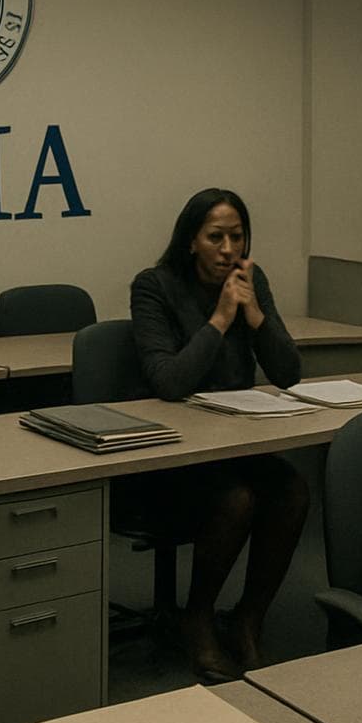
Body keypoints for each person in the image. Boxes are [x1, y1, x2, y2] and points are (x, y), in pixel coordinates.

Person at [129, 188, 308, 682]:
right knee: (236, 499)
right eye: (215, 238)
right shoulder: (154, 286)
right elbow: (169, 382)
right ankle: (198, 618)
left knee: (292, 490)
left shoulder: (251, 280)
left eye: (237, 237)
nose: (228, 250)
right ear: (191, 241)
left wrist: (255, 316)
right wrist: (222, 318)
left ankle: (248, 618)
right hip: (174, 457)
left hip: (235, 440)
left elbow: (289, 372)